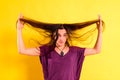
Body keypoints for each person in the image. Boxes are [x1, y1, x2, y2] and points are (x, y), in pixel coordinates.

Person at [17, 14, 103, 80]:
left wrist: (100, 31)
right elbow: (22, 50)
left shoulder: (75, 51)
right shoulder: (46, 50)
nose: (61, 39)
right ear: (54, 36)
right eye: (58, 35)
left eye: (64, 35)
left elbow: (97, 50)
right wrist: (19, 30)